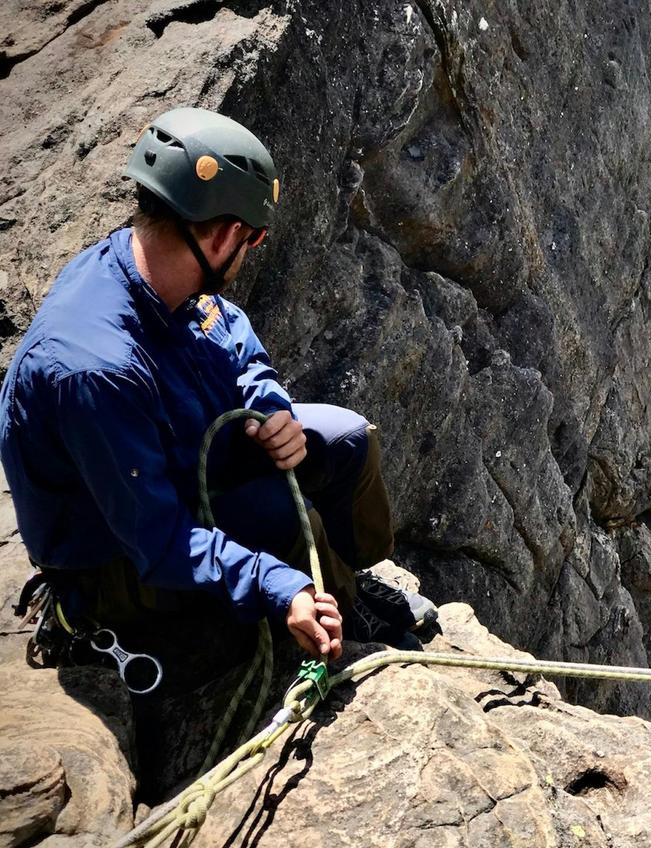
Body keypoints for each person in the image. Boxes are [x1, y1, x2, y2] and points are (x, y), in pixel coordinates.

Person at [0, 107, 435, 691]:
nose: (251, 248)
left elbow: (227, 331)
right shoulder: (97, 370)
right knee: (284, 517)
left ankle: (343, 578)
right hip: (114, 557)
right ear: (224, 234)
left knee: (344, 440)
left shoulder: (151, 266)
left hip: (171, 465)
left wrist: (271, 403)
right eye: (253, 236)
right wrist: (281, 586)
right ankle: (327, 602)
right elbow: (159, 539)